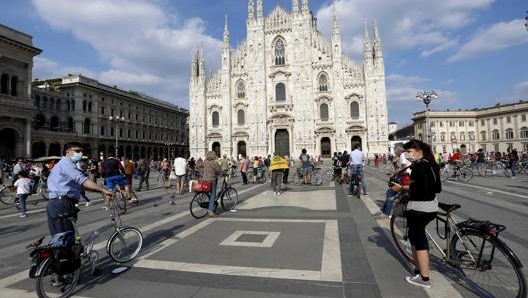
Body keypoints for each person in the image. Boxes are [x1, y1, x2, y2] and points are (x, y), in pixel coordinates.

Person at [391, 139, 441, 289]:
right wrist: (411, 184)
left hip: (419, 208)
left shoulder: (419, 166)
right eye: (406, 152)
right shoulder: (431, 163)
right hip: (431, 206)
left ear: (419, 150)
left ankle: (424, 279)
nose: (407, 154)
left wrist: (401, 188)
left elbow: (422, 189)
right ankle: (418, 270)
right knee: (415, 237)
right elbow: (436, 188)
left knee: (419, 241)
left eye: (409, 151)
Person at [47, 142, 113, 247]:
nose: (80, 153)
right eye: (77, 151)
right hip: (62, 203)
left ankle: (62, 260)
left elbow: (80, 185)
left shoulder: (62, 164)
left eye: (82, 151)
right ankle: (65, 261)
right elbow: (82, 180)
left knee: (60, 238)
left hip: (57, 203)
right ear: (68, 152)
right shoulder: (66, 164)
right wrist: (105, 190)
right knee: (65, 239)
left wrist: (99, 191)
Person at [200, 151, 222, 217]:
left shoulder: (205, 162)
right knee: (213, 195)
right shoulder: (215, 163)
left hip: (205, 179)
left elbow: (198, 167)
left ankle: (211, 205)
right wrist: (223, 173)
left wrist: (202, 173)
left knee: (209, 192)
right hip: (212, 179)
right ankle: (211, 211)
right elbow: (219, 171)